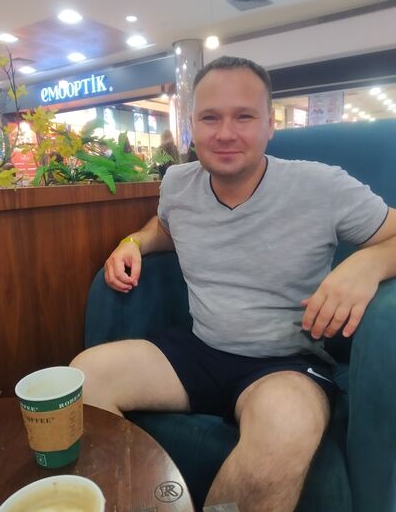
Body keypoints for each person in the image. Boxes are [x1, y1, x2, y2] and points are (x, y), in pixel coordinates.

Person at [72, 56, 396, 511]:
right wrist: (135, 242)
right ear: (191, 127)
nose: (225, 133)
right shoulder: (178, 183)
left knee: (286, 425)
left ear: (270, 126)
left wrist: (367, 265)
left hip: (285, 362)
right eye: (210, 117)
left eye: (244, 116)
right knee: (84, 378)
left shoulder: (322, 187)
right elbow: (167, 228)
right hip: (199, 350)